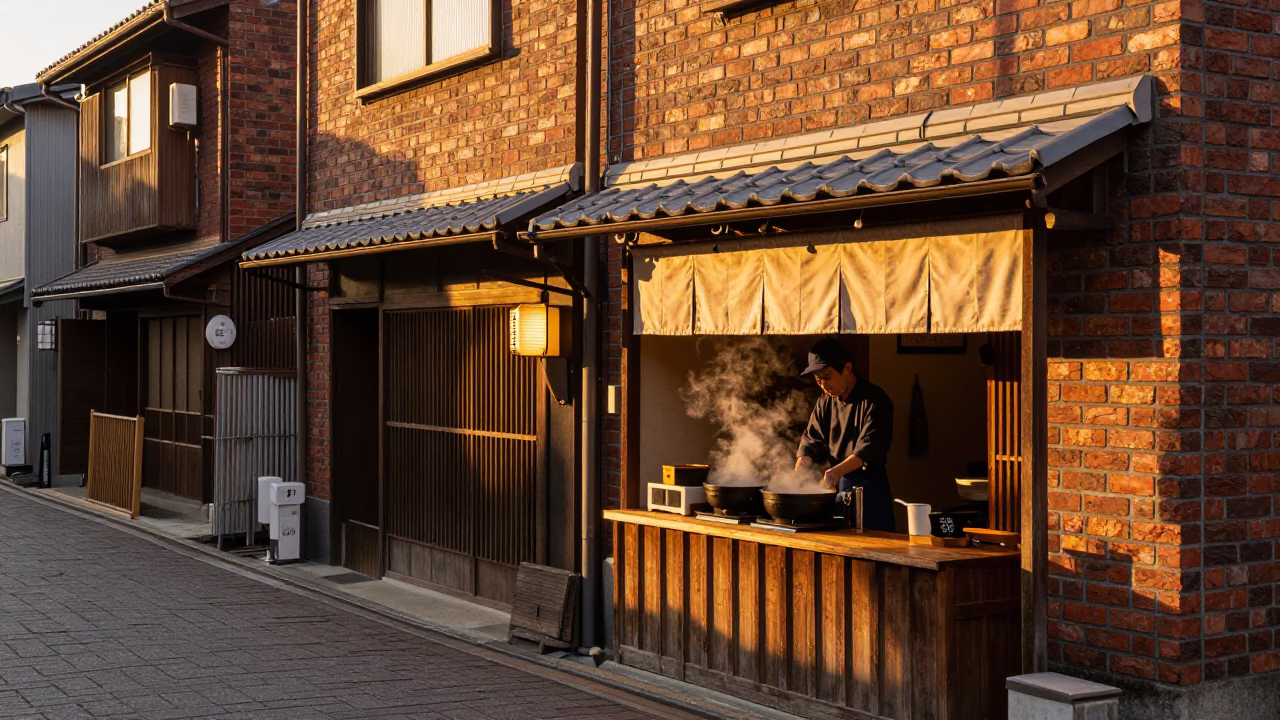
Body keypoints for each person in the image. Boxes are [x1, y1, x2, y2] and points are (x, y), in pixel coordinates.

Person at [795, 338, 896, 532]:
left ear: (847, 368)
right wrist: (797, 476)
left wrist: (834, 473)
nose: (823, 385)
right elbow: (810, 441)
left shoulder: (875, 400)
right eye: (818, 380)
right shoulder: (825, 402)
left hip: (869, 489)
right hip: (837, 486)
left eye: (827, 376)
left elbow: (868, 450)